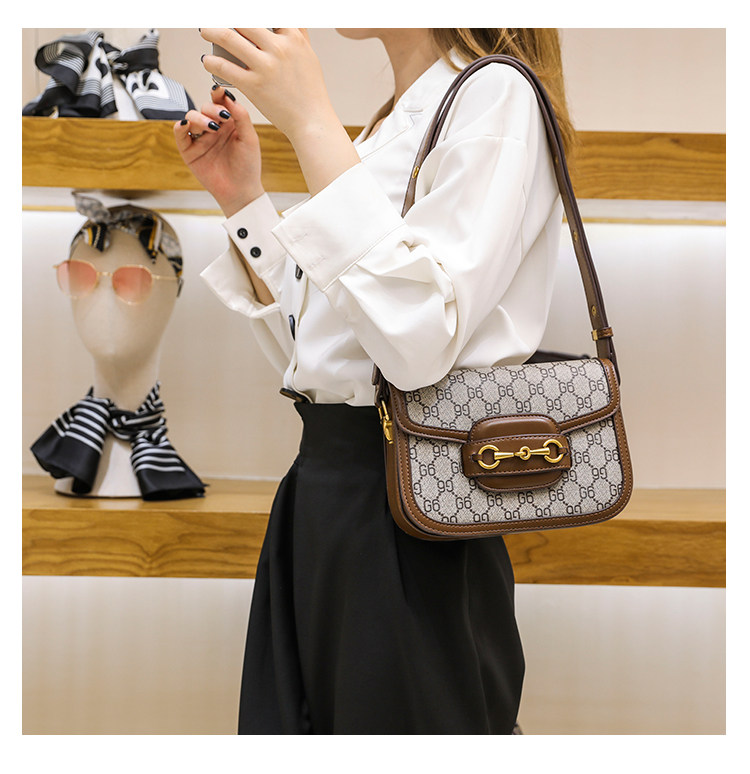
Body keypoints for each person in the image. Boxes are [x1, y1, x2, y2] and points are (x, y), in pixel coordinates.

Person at [174, 28, 574, 735]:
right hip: (327, 488)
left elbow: (416, 347)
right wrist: (244, 202)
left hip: (413, 508)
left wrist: (309, 119)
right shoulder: (395, 119)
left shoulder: (496, 93)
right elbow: (323, 357)